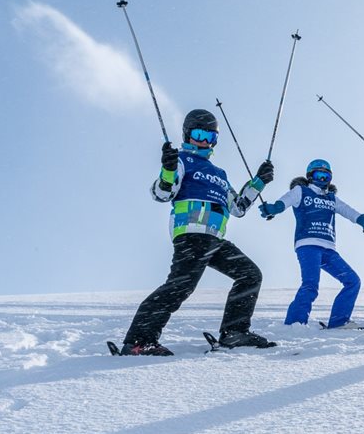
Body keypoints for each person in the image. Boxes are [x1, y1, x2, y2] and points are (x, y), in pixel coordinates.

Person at [118, 109, 275, 355]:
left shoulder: (219, 174)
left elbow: (238, 208)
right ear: (187, 135)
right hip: (191, 234)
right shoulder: (180, 160)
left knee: (250, 274)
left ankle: (234, 333)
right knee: (180, 286)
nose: (204, 141)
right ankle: (139, 341)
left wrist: (259, 182)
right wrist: (168, 169)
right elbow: (162, 193)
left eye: (210, 137)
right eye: (199, 134)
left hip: (214, 239)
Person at [259, 159, 364, 329]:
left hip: (329, 248)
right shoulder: (301, 191)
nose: (322, 179)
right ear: (309, 176)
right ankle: (294, 324)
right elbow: (284, 202)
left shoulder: (331, 198)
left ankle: (339, 321)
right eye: (318, 175)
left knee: (353, 281)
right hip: (308, 244)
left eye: (326, 176)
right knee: (311, 284)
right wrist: (274, 208)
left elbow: (349, 211)